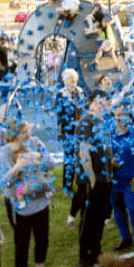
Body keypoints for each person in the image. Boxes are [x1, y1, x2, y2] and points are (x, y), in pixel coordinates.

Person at [0, 120, 52, 267]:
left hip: (40, 199)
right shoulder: (3, 153)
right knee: (22, 241)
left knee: (42, 237)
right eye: (25, 132)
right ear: (15, 135)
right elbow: (3, 182)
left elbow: (51, 163)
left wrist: (39, 159)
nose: (29, 135)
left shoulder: (35, 143)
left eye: (28, 131)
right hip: (19, 205)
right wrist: (17, 167)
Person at [76, 90, 114, 267]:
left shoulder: (103, 122)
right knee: (88, 219)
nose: (102, 106)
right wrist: (91, 179)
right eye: (99, 102)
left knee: (99, 218)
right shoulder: (86, 122)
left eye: (105, 103)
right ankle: (84, 257)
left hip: (106, 178)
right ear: (90, 103)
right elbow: (84, 152)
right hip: (92, 180)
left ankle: (96, 253)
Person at [110, 107, 134, 256]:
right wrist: (109, 163)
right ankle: (125, 237)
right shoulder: (109, 135)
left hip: (133, 179)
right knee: (117, 208)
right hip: (115, 180)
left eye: (123, 114)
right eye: (117, 115)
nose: (120, 118)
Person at [55, 68, 86, 228]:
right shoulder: (61, 94)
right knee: (69, 159)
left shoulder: (80, 92)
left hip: (80, 131)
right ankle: (67, 186)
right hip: (68, 131)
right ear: (64, 80)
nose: (72, 82)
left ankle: (79, 182)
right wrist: (70, 123)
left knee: (79, 158)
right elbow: (59, 114)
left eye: (74, 79)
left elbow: (84, 108)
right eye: (69, 79)